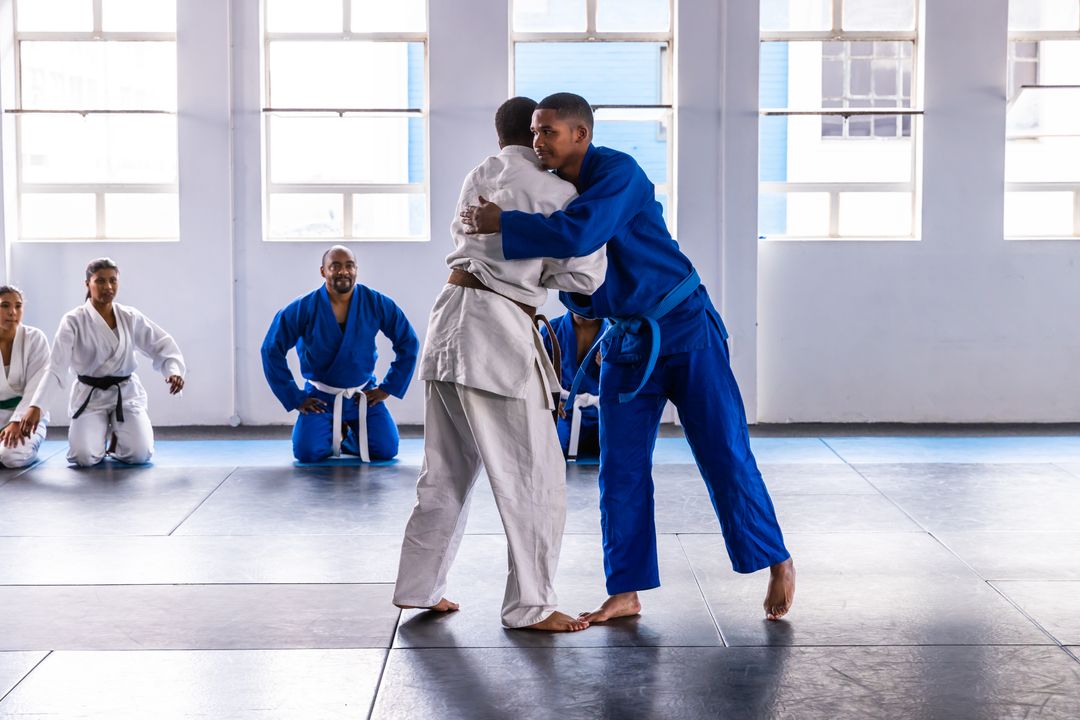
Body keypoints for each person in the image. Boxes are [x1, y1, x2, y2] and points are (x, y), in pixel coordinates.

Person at [461, 92, 796, 622]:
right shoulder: (552, 189)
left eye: (548, 131)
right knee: (618, 469)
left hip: (685, 326)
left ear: (581, 135)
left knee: (723, 451)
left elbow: (583, 235)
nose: (536, 142)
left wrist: (502, 223)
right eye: (532, 132)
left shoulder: (621, 173)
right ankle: (626, 590)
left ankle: (774, 557)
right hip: (624, 337)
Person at [393, 97, 607, 632]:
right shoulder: (556, 190)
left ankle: (420, 589)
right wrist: (543, 273)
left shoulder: (479, 175)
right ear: (539, 134)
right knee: (536, 475)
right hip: (497, 335)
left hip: (446, 325)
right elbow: (586, 277)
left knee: (443, 471)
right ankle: (530, 607)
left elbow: (474, 241)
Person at [261, 246, 418, 463]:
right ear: (323, 271)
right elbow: (271, 350)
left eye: (349, 266)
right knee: (307, 453)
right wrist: (295, 398)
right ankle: (330, 433)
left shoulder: (376, 303)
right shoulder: (303, 307)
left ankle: (347, 439)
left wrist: (388, 388)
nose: (343, 271)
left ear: (356, 270)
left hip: (362, 395)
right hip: (321, 397)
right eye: (335, 266)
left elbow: (408, 342)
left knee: (386, 448)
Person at [30, 258, 186, 467]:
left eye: (113, 281)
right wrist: (37, 406)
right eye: (100, 281)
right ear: (88, 284)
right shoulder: (73, 320)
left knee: (140, 454)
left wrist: (173, 370)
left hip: (125, 392)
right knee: (84, 457)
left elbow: (161, 344)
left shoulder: (130, 316)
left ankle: (117, 440)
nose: (108, 287)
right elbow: (56, 368)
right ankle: (99, 434)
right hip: (90, 395)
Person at [541, 311, 608, 458]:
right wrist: (550, 398)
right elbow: (536, 374)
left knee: (619, 452)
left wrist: (609, 368)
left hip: (602, 411)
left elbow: (628, 383)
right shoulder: (551, 330)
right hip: (562, 410)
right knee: (549, 451)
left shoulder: (612, 333)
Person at [0, 286, 51, 468]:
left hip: (27, 415)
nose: (12, 312)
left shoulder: (35, 339)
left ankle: (29, 445)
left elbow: (38, 385)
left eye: (18, 306)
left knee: (10, 457)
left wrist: (17, 420)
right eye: (5, 306)